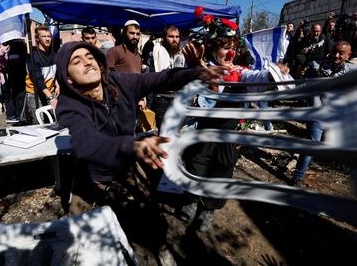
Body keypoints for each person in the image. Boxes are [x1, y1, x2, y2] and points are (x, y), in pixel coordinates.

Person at [54, 41, 226, 215]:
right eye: (77, 61)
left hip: (126, 164)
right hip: (93, 174)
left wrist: (196, 73)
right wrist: (133, 145)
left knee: (142, 217)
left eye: (90, 57)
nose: (87, 62)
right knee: (76, 229)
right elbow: (87, 143)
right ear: (67, 77)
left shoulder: (120, 82)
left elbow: (159, 79)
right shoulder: (69, 105)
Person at [179, 14, 291, 232]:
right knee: (196, 164)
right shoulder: (200, 67)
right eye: (224, 47)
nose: (230, 52)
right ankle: (191, 200)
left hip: (229, 134)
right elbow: (197, 97)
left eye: (233, 47)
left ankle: (209, 208)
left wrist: (272, 75)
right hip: (203, 131)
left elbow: (256, 77)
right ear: (213, 48)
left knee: (222, 169)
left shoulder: (239, 72)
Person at [291, 41, 357, 187]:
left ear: (348, 55)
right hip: (319, 114)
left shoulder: (352, 71)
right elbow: (304, 83)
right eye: (335, 51)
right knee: (311, 145)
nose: (336, 55)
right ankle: (298, 176)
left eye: (341, 53)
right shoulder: (318, 66)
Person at [148, 25, 186, 128]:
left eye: (177, 37)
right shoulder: (157, 52)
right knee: (164, 132)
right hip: (162, 100)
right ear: (164, 37)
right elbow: (151, 77)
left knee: (178, 131)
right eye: (171, 36)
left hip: (179, 99)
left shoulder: (183, 54)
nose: (175, 40)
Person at [24, 25, 57, 124]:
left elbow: (57, 72)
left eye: (49, 36)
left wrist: (58, 85)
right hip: (35, 93)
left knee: (53, 121)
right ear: (37, 39)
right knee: (39, 122)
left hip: (50, 91)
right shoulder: (33, 56)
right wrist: (50, 97)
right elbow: (37, 80)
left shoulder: (53, 53)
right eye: (44, 36)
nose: (47, 39)